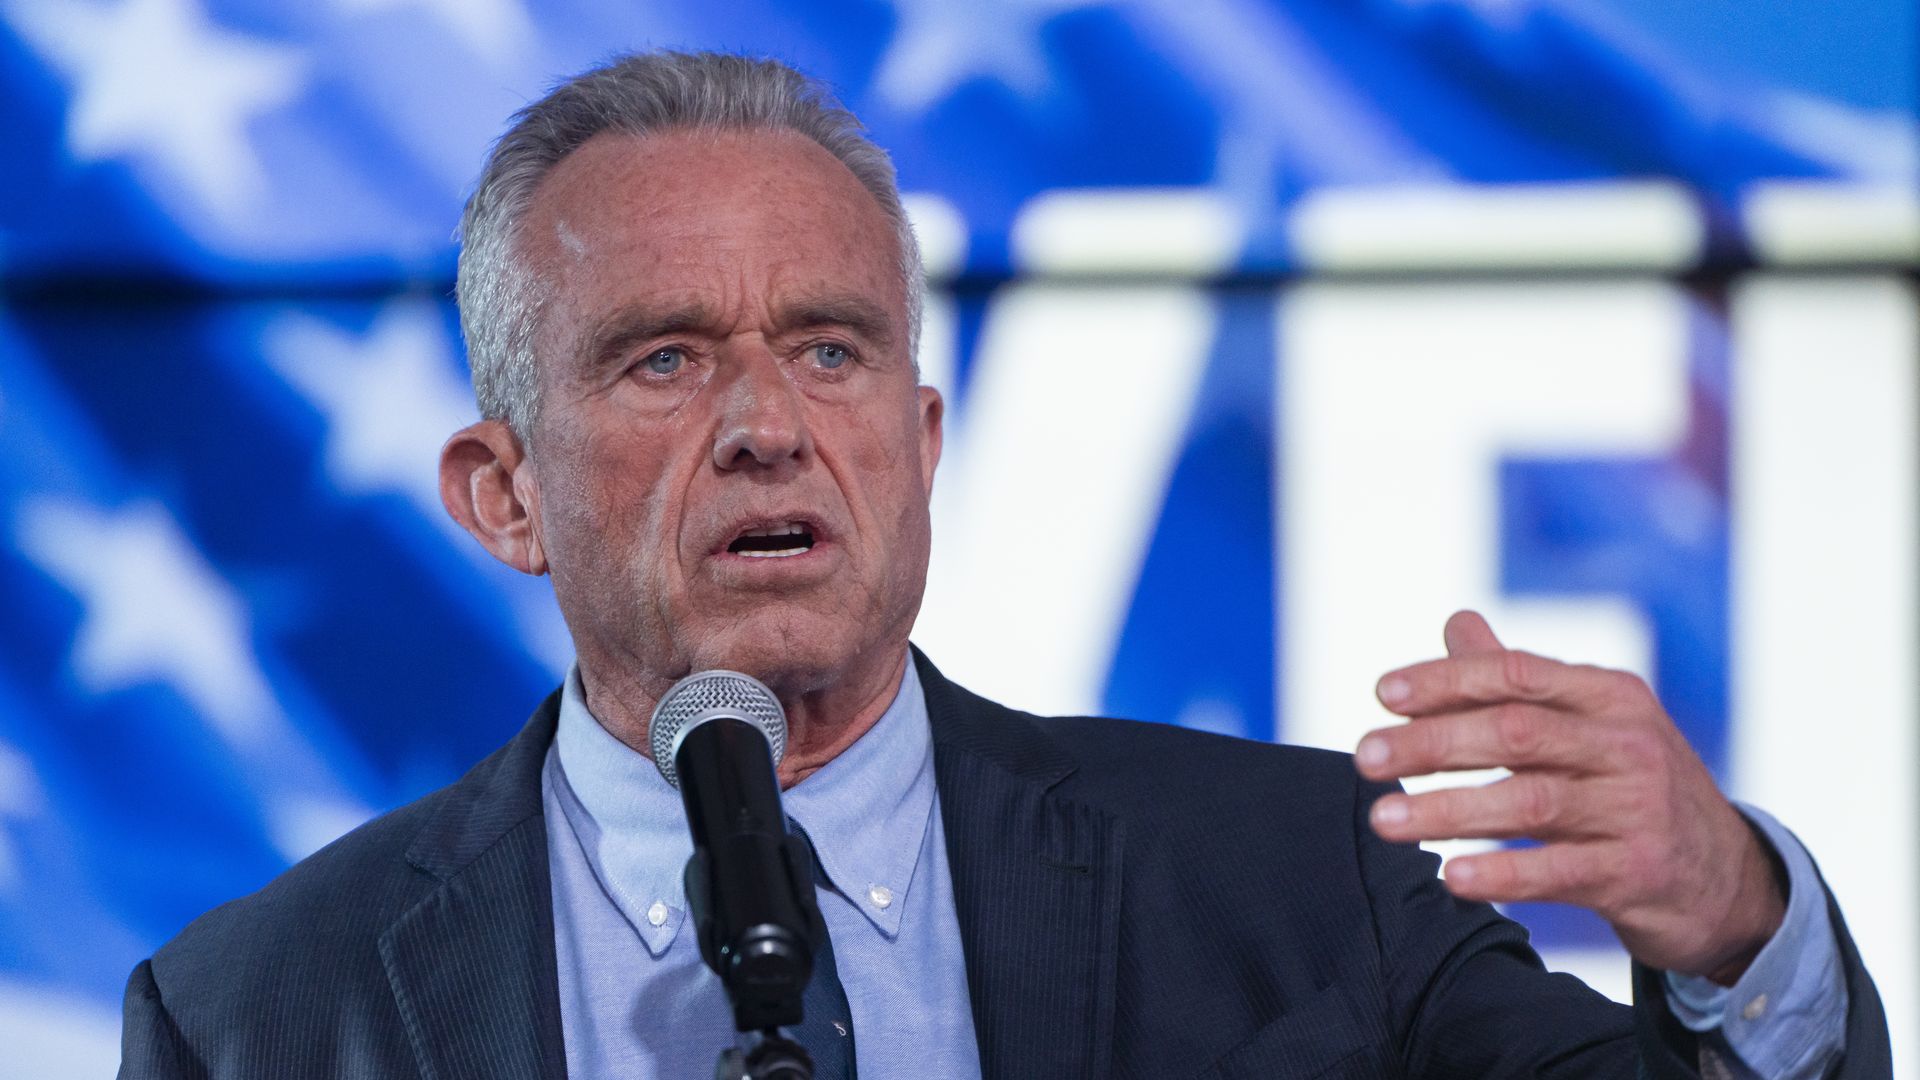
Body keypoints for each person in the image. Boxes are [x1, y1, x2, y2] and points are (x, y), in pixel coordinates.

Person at [118, 51, 1889, 1079]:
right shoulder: (257, 1017)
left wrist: (1738, 916)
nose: (766, 424)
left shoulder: (1295, 893)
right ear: (501, 495)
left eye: (829, 350)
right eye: (663, 358)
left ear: (922, 440)